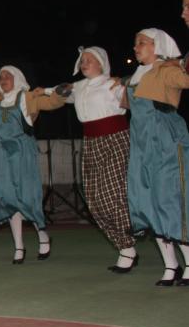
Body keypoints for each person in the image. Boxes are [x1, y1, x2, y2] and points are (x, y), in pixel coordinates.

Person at [50, 48, 136, 272]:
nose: (84, 63)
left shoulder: (111, 84)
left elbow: (134, 99)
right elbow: (57, 92)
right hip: (90, 143)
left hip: (115, 140)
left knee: (113, 194)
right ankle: (125, 246)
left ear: (102, 63)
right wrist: (45, 91)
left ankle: (131, 237)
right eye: (82, 60)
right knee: (93, 200)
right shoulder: (79, 87)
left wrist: (127, 84)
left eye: (89, 60)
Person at [0, 66, 63, 263]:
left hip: (23, 151)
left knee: (28, 195)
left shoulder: (28, 97)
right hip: (3, 153)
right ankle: (19, 246)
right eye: (1, 76)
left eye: (8, 76)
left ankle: (42, 235)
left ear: (17, 78)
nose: (4, 79)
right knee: (9, 197)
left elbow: (53, 102)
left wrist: (57, 91)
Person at [123, 28, 189, 286]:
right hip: (141, 144)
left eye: (142, 42)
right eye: (135, 43)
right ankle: (170, 264)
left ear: (157, 46)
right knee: (147, 201)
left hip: (165, 141)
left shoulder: (165, 70)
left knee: (170, 199)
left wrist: (180, 63)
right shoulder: (134, 77)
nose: (136, 47)